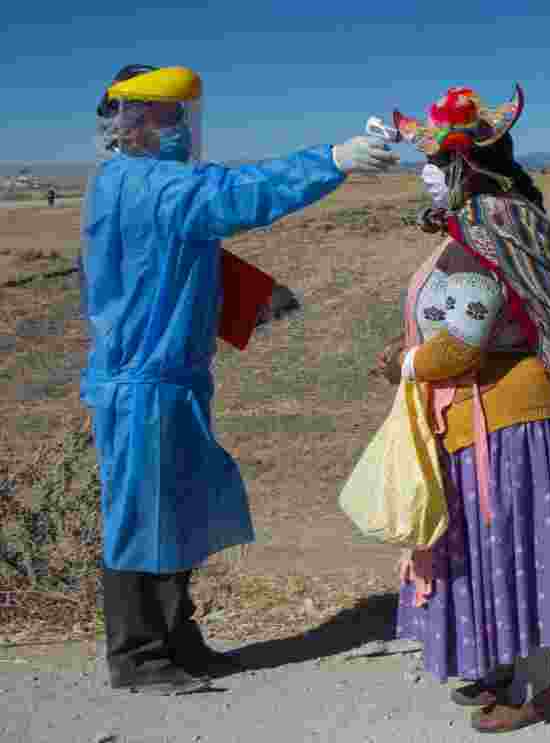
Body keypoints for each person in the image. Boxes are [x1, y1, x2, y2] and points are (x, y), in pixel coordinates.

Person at [79, 64, 398, 695]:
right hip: (143, 384)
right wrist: (333, 158)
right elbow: (234, 197)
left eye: (181, 118)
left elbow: (180, 250)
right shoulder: (147, 185)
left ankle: (178, 639)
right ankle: (139, 656)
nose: (179, 131)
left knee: (174, 510)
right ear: (135, 121)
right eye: (169, 117)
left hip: (168, 379)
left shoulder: (137, 183)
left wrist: (254, 292)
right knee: (141, 516)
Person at [379, 85, 550, 734]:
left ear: (467, 167)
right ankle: (504, 666)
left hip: (509, 425)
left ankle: (536, 686)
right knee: (496, 551)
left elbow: (463, 344)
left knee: (516, 550)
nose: (425, 174)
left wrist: (408, 364)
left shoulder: (487, 241)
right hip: (489, 422)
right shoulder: (490, 229)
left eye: (436, 162)